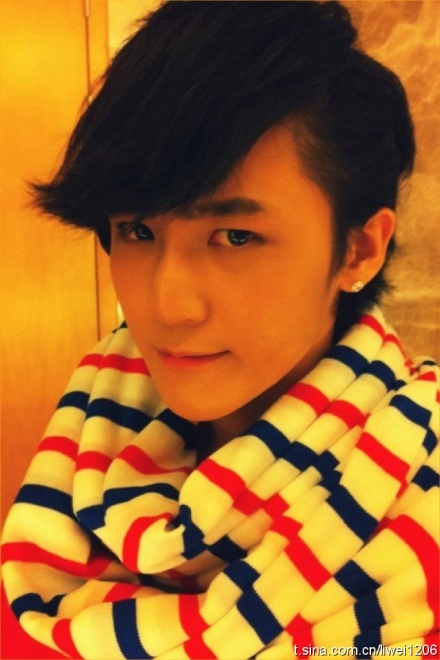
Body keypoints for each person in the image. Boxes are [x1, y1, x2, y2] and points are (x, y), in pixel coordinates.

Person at [2, 2, 439, 658]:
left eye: (234, 236)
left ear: (358, 250)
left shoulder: (420, 495)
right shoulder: (83, 447)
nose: (167, 305)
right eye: (137, 231)